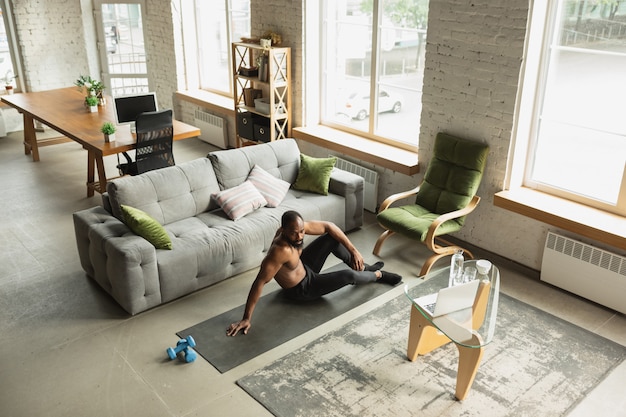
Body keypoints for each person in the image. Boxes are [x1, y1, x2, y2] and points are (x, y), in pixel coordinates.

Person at [226, 210, 402, 336]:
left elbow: (329, 226)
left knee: (330, 239)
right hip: (303, 288)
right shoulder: (279, 252)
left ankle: (362, 267)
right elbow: (259, 282)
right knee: (348, 276)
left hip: (305, 267)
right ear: (284, 230)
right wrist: (246, 318)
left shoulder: (298, 229)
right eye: (295, 233)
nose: (300, 236)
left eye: (302, 231)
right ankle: (379, 276)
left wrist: (354, 251)